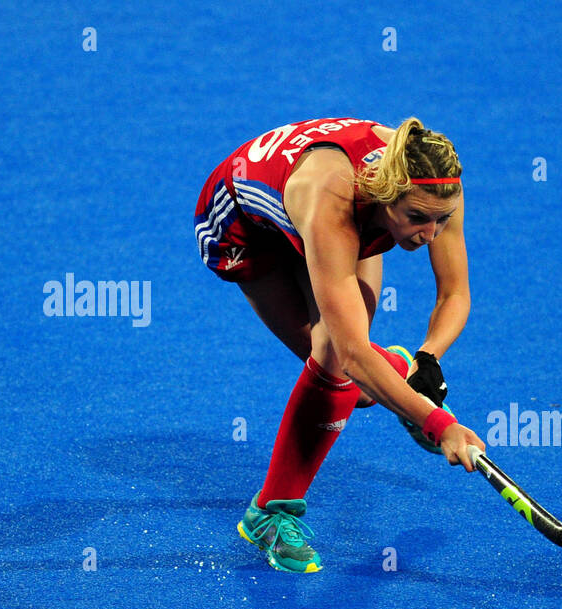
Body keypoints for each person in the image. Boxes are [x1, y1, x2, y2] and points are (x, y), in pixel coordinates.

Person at [193, 117, 486, 573]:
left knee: (362, 386)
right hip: (245, 224)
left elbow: (455, 294)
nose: (431, 233)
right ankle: (270, 512)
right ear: (387, 196)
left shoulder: (437, 187)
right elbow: (351, 354)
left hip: (342, 213)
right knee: (338, 361)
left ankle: (399, 375)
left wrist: (428, 357)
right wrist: (438, 423)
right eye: (416, 219)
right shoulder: (334, 199)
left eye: (440, 221)